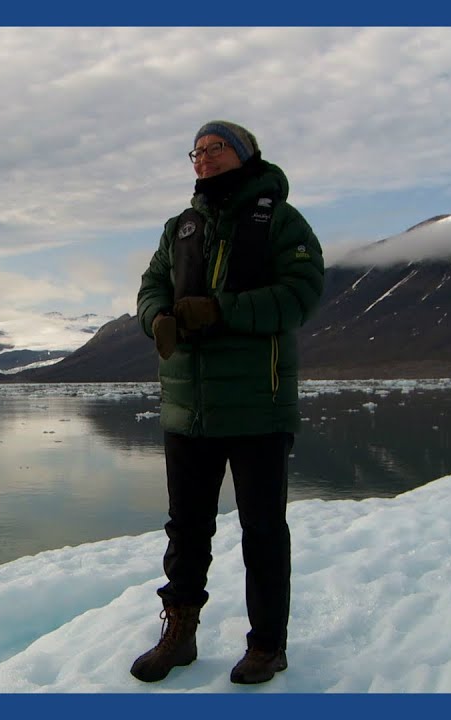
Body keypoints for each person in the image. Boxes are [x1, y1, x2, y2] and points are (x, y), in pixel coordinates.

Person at [132, 120, 325, 684]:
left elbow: (301, 293)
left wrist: (223, 310)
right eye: (196, 151)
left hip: (257, 406)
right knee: (186, 529)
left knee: (263, 529)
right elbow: (150, 286)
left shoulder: (281, 222)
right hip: (188, 407)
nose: (204, 158)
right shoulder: (180, 228)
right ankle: (180, 634)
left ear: (245, 155)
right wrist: (157, 319)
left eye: (216, 148)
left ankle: (267, 645)